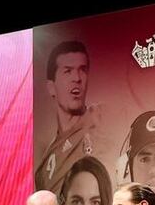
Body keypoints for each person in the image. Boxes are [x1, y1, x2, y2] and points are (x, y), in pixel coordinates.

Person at [35, 40, 107, 195]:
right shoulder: (45, 166)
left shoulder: (103, 117)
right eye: (67, 71)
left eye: (82, 70)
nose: (77, 78)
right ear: (51, 87)